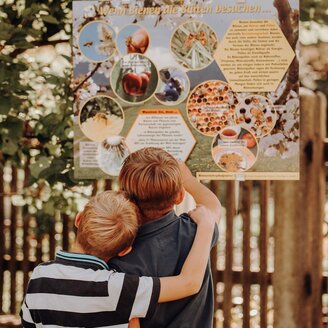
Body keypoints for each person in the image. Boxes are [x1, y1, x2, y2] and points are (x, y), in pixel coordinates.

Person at [20, 190, 215, 328]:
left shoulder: (39, 278)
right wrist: (206, 224)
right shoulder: (119, 288)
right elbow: (189, 283)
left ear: (78, 220)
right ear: (125, 250)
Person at [110, 147, 221, 328]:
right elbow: (212, 205)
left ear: (124, 195)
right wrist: (188, 179)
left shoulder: (119, 252)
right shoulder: (198, 231)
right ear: (180, 196)